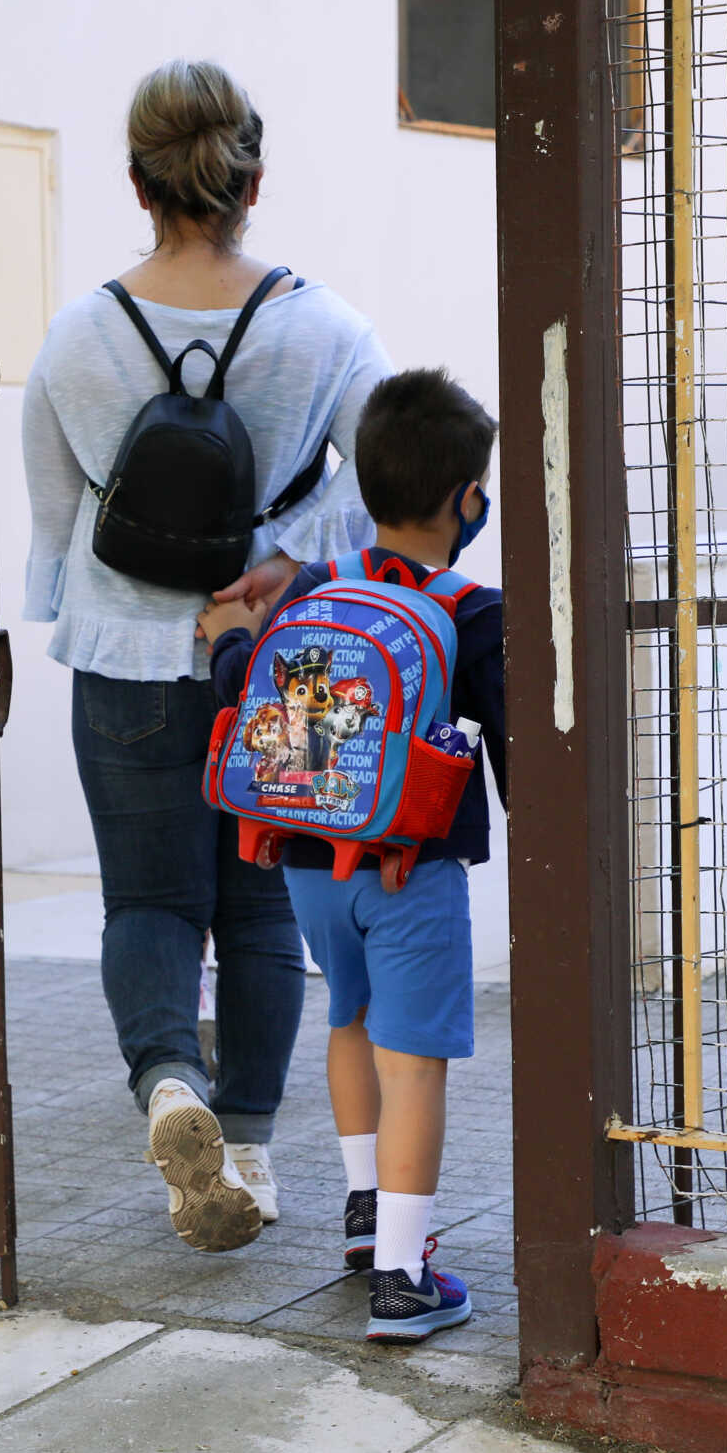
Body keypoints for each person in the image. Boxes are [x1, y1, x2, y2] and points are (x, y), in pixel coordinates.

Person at [20, 60, 390, 1253]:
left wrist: (98, 608)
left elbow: (53, 520)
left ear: (136, 184)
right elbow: (391, 496)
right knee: (265, 914)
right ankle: (250, 1149)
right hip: (286, 663)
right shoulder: (326, 329)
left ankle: (169, 1084)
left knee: (148, 900)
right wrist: (287, 557)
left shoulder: (77, 337)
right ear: (253, 180)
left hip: (125, 656)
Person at [200, 369, 503, 1342]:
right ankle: (406, 1280)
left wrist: (227, 644)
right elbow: (513, 744)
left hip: (305, 864)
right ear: (467, 499)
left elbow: (249, 689)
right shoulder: (472, 611)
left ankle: (367, 1211)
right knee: (415, 1065)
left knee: (350, 1019)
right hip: (408, 873)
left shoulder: (322, 586)